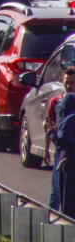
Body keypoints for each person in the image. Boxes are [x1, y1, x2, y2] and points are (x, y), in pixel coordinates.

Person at [45, 68, 75, 209]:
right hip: (60, 152)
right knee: (56, 190)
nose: (69, 85)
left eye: (72, 83)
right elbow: (49, 123)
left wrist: (51, 132)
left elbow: (57, 135)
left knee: (66, 192)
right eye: (66, 82)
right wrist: (46, 150)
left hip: (68, 152)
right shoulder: (55, 101)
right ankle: (52, 219)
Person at [55, 92, 75, 219]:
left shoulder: (69, 120)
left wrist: (50, 131)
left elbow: (61, 140)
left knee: (68, 203)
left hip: (68, 163)